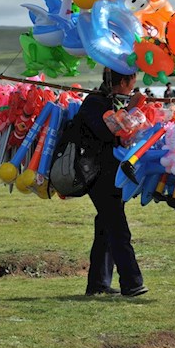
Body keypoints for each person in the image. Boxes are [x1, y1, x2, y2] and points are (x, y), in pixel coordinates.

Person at [77, 67, 147, 297]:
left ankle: (98, 284)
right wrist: (132, 108)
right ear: (124, 81)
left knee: (106, 228)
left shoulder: (108, 101)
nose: (133, 87)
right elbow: (108, 132)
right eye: (132, 82)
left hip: (110, 175)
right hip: (97, 175)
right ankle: (132, 283)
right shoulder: (95, 103)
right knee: (118, 229)